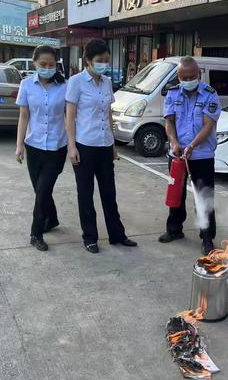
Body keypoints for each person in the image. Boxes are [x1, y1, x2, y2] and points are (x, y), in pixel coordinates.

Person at [65, 39, 137, 253]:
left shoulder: (106, 82)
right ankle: (90, 237)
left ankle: (117, 234)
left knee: (109, 192)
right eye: (99, 60)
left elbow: (108, 113)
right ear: (88, 60)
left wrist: (113, 143)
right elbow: (70, 117)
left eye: (106, 60)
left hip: (105, 146)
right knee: (85, 194)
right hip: (84, 145)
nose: (104, 64)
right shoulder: (76, 82)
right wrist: (72, 147)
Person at [158, 56, 221, 255]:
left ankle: (207, 236)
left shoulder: (209, 95)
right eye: (184, 77)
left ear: (199, 74)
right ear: (178, 76)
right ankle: (174, 229)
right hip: (177, 154)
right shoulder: (172, 93)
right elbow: (169, 122)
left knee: (203, 196)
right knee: (176, 193)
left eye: (192, 76)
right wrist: (175, 143)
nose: (188, 80)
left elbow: (208, 125)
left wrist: (192, 145)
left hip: (201, 154)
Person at [15, 45, 67, 251]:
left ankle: (35, 233)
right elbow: (24, 116)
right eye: (43, 64)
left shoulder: (65, 86)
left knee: (43, 189)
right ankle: (51, 218)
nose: (47, 68)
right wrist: (19, 145)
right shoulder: (26, 85)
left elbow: (70, 116)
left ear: (57, 65)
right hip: (34, 146)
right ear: (35, 64)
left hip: (57, 147)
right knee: (40, 189)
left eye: (51, 65)